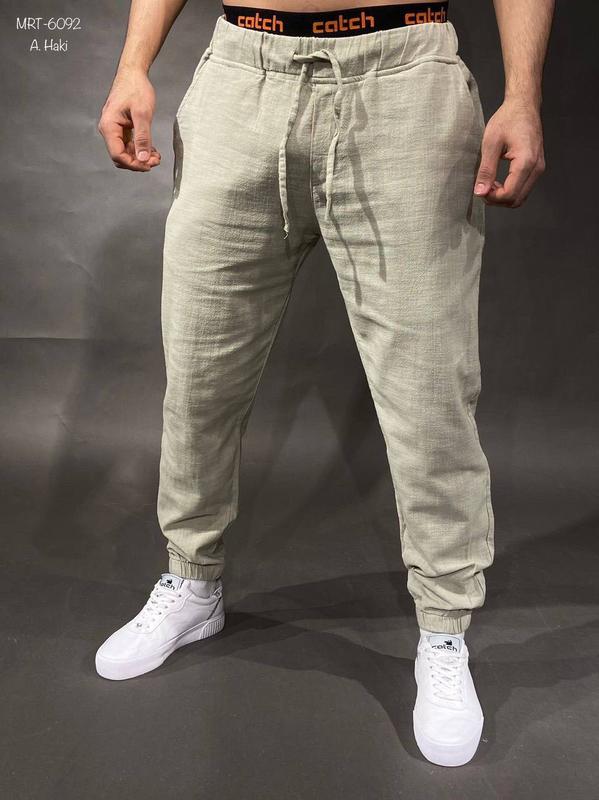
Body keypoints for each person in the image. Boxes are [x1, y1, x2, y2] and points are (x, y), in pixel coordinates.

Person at [95, 0, 553, 767]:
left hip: (404, 78)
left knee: (428, 395)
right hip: (241, 72)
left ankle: (443, 631)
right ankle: (191, 581)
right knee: (201, 374)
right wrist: (132, 65)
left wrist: (523, 94)